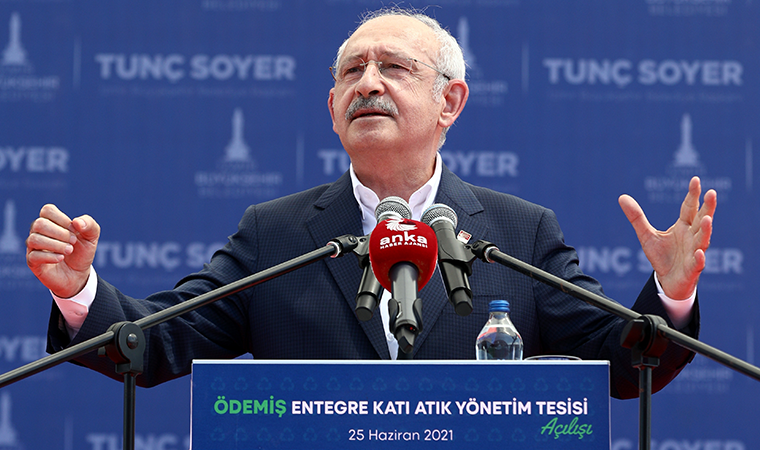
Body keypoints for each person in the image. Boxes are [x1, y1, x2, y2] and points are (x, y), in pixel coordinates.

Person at [26, 7, 716, 400]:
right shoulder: (275, 234)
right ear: (331, 108)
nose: (368, 84)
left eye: (394, 67)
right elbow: (155, 343)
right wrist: (78, 292)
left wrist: (672, 293)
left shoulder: (518, 232)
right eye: (352, 71)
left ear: (450, 101)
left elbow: (625, 363)